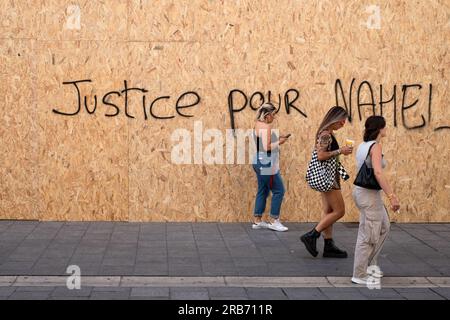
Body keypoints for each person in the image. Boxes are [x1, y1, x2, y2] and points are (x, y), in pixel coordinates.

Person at [351, 116, 400, 285]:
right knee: (368, 235)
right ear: (380, 128)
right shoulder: (375, 146)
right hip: (368, 196)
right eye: (385, 126)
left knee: (384, 227)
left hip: (364, 193)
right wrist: (392, 196)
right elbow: (378, 173)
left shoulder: (363, 145)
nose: (387, 129)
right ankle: (359, 273)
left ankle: (370, 264)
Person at [300, 106, 353, 258]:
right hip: (328, 178)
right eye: (341, 120)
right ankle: (312, 235)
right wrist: (340, 151)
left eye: (345, 120)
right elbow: (321, 156)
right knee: (339, 211)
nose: (343, 123)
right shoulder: (325, 135)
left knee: (328, 211)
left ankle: (328, 245)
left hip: (329, 176)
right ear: (334, 118)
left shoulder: (327, 133)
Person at [251, 102, 290, 232]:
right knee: (279, 190)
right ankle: (274, 220)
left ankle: (257, 220)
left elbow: (262, 143)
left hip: (258, 160)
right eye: (273, 115)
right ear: (267, 115)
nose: (274, 117)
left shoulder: (257, 124)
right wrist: (280, 142)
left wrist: (277, 138)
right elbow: (266, 147)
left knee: (263, 190)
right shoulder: (267, 127)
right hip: (266, 161)